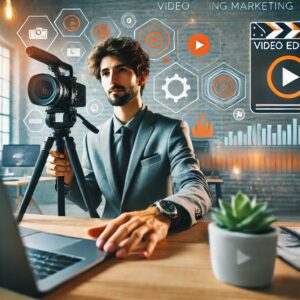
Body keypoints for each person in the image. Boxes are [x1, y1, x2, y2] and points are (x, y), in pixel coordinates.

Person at [46, 37, 212, 259]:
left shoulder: (171, 130)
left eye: (121, 70)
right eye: (105, 73)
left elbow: (196, 187)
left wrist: (161, 213)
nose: (112, 79)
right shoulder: (92, 139)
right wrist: (68, 179)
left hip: (154, 244)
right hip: (103, 241)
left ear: (141, 76)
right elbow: (91, 199)